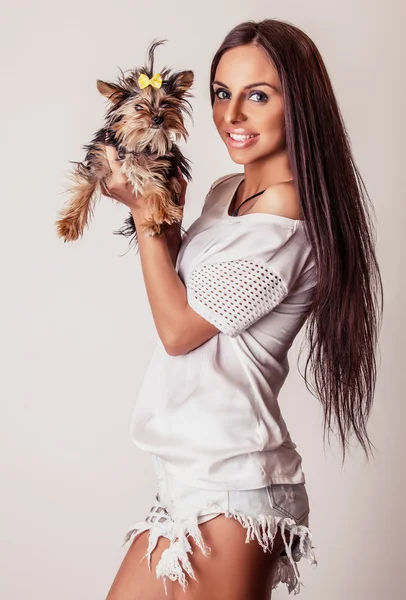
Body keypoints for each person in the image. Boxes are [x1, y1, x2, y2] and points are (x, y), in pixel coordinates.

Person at [103, 18, 383, 600]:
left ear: (297, 104)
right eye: (221, 94)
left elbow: (181, 331)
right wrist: (168, 220)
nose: (232, 115)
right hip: (189, 473)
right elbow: (193, 296)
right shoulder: (227, 193)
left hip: (236, 485)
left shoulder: (285, 221)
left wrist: (143, 214)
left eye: (258, 95)